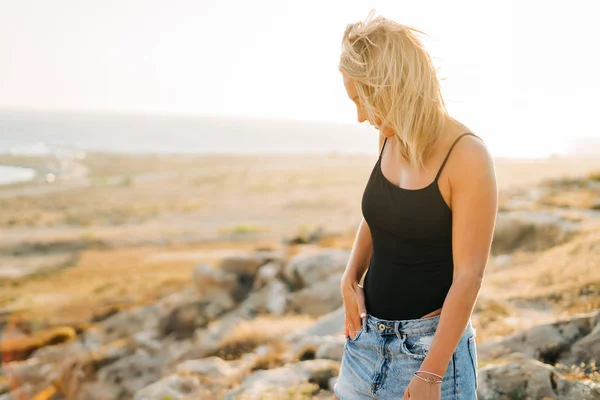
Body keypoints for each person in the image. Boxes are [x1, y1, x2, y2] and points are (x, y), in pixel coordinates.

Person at [333, 11, 498, 400]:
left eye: (364, 100)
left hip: (426, 354)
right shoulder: (390, 137)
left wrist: (431, 374)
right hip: (364, 344)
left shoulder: (467, 155)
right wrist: (349, 277)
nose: (360, 117)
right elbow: (380, 218)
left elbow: (469, 276)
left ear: (391, 87)